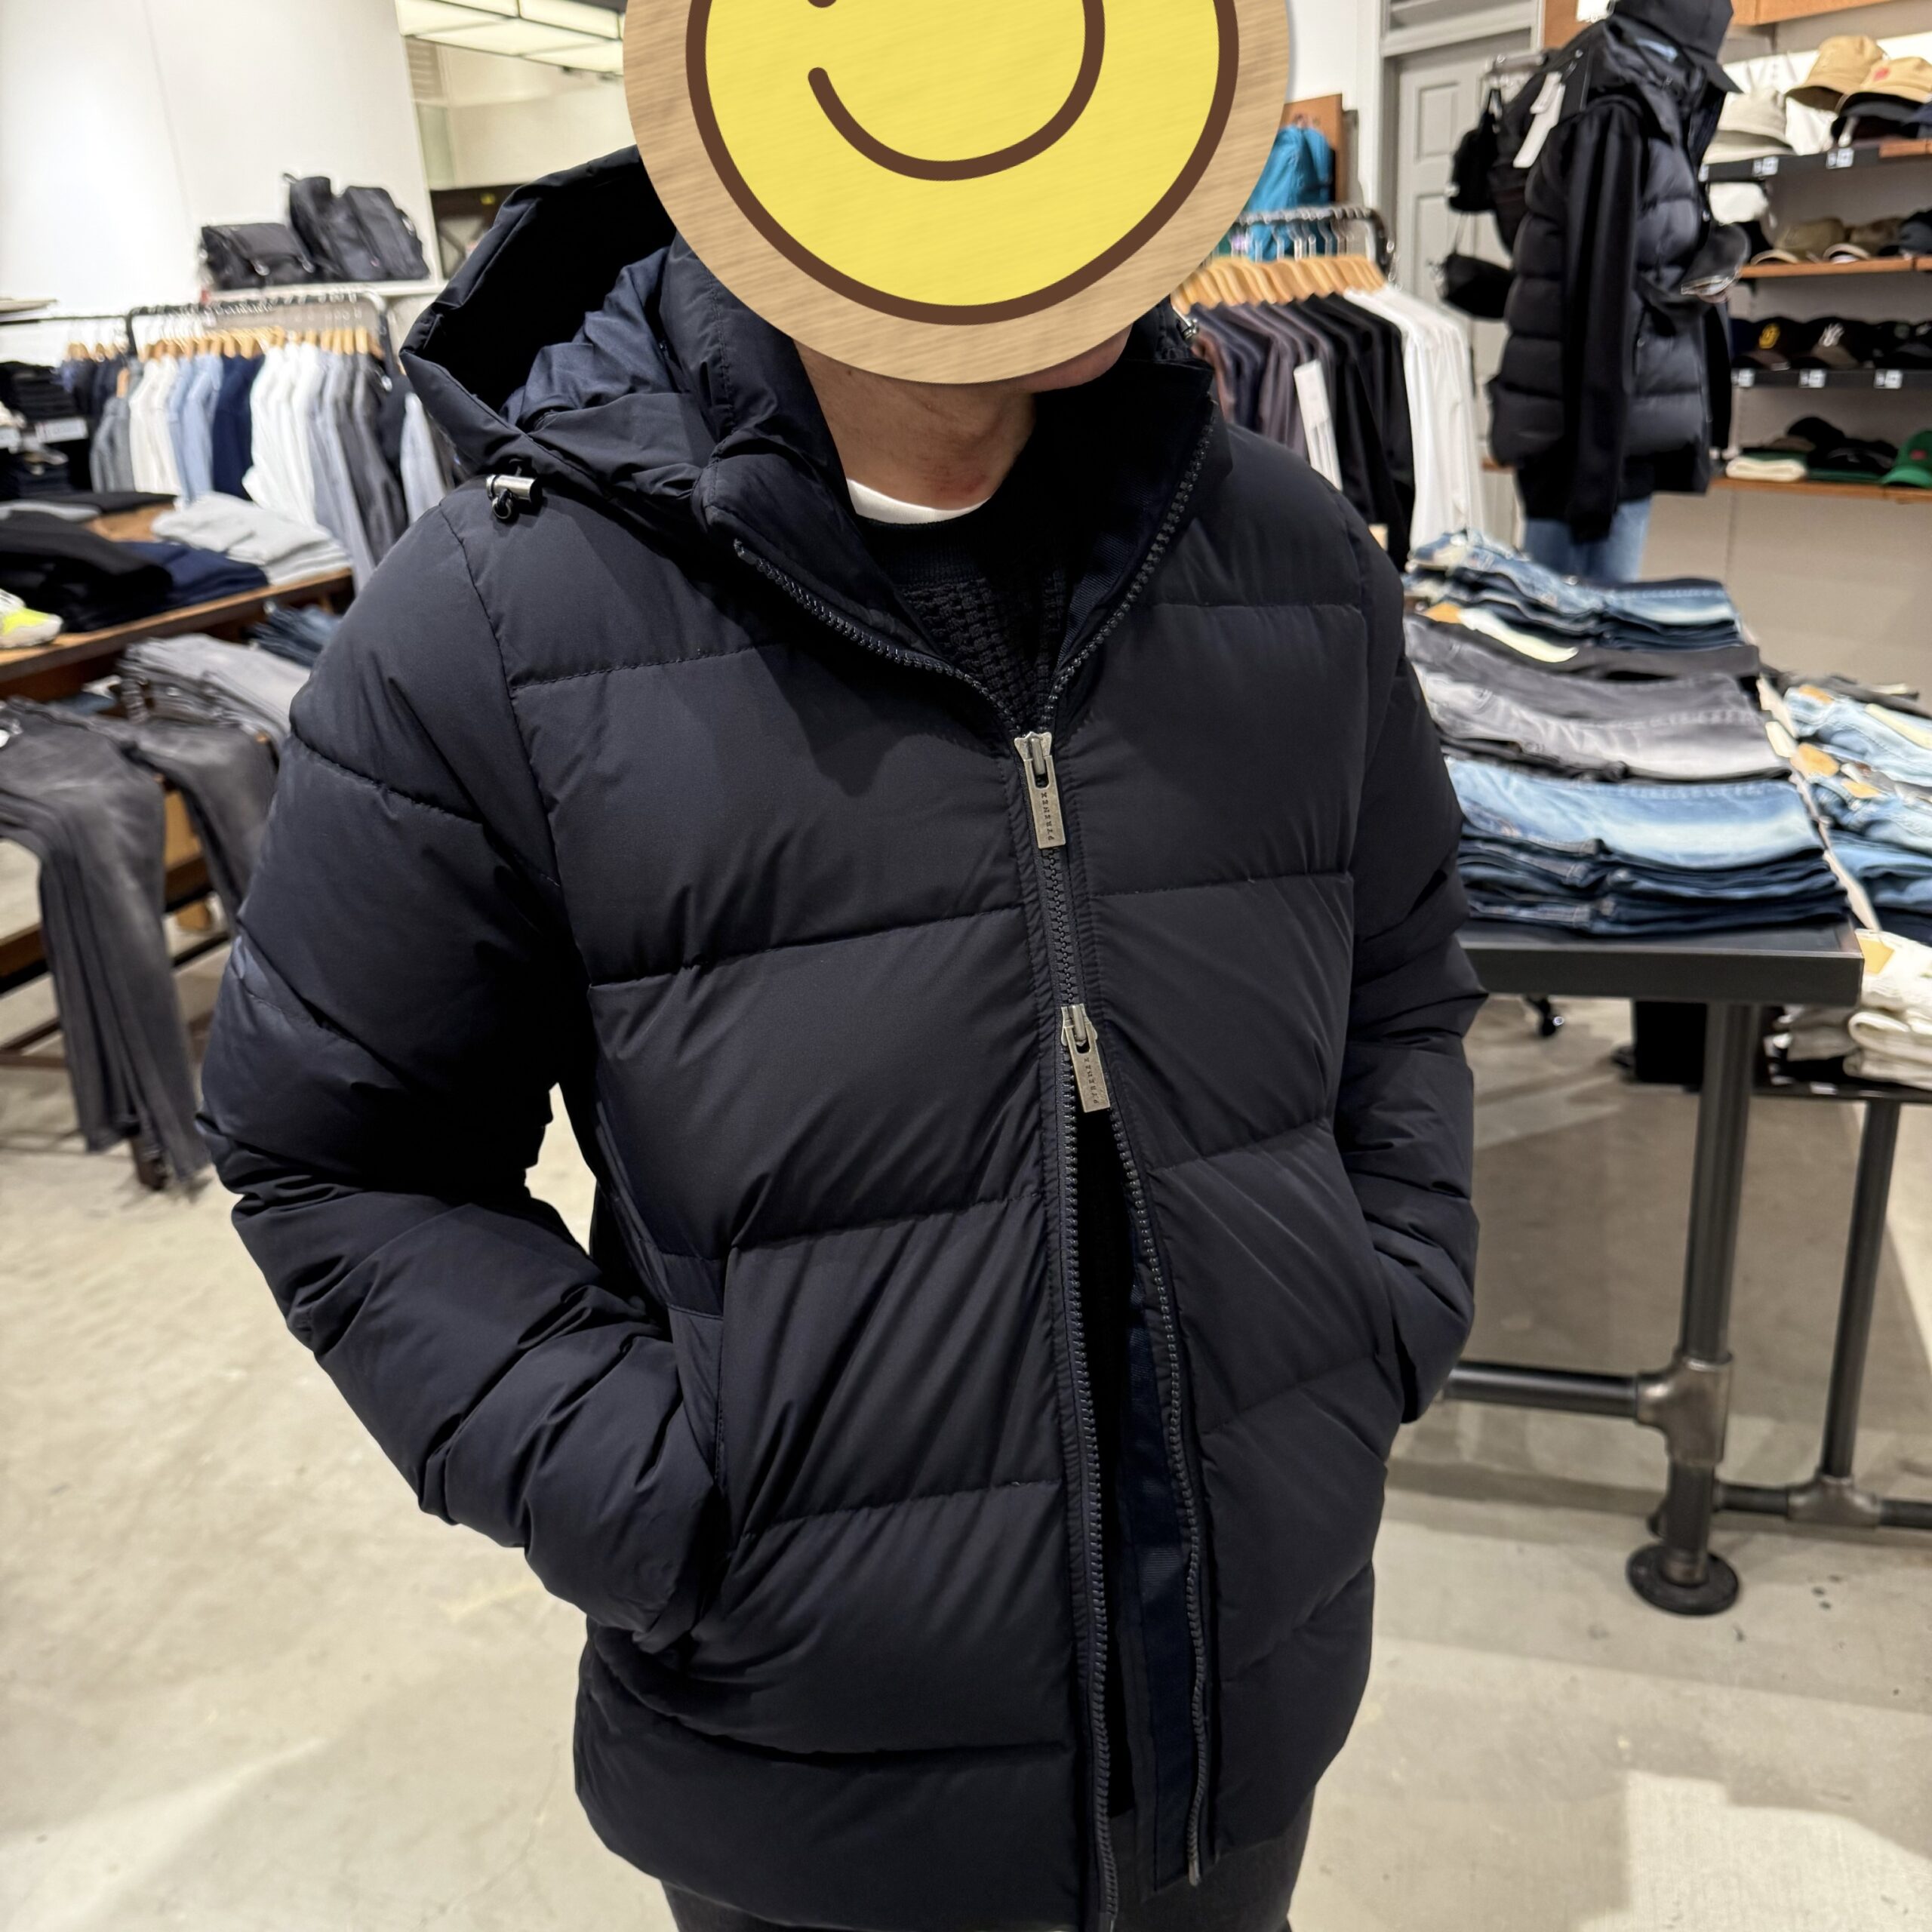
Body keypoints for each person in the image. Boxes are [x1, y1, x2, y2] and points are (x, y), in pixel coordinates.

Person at [200, 149, 1480, 1932]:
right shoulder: (497, 611)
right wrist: (665, 1499)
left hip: (1240, 1698)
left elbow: (1398, 984)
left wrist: (1377, 1306)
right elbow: (342, 1151)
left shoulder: (1283, 556)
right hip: (798, 1760)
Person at [1490, 0, 1740, 585]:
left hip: (1605, 423)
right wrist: (1596, 466)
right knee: (1576, 620)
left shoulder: (1613, 94)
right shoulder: (1620, 115)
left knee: (1573, 617)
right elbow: (1598, 294)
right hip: (1596, 431)